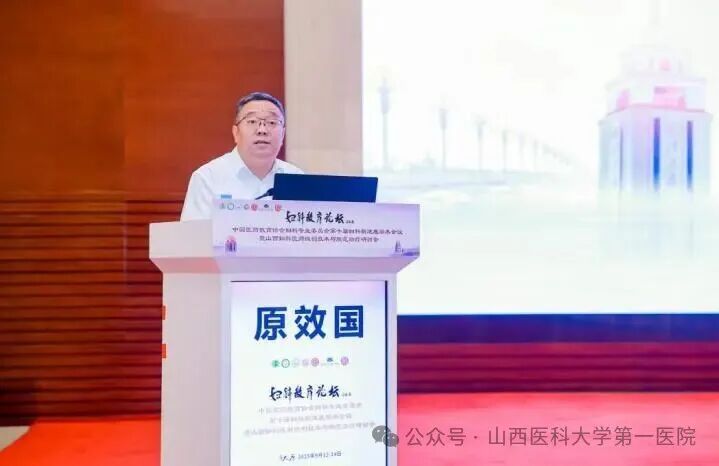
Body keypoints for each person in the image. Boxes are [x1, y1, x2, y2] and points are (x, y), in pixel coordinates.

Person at [180, 92, 303, 220]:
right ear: (236, 133)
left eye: (272, 122)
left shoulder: (297, 178)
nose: (262, 130)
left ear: (282, 134)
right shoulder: (208, 178)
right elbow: (193, 232)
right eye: (252, 121)